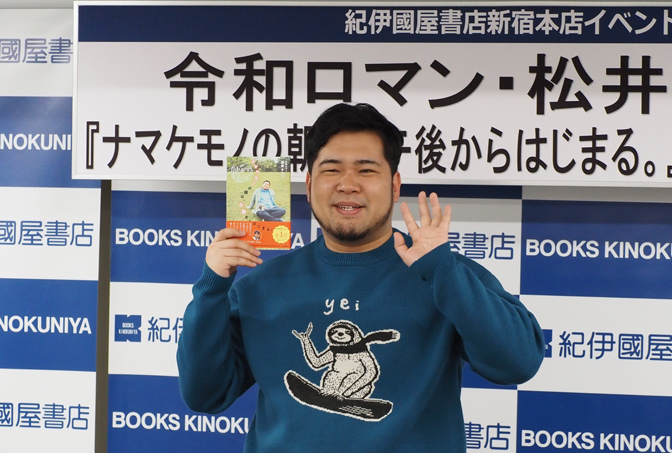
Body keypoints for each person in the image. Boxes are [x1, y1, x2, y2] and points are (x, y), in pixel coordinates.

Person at [177, 103, 544, 452]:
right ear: (309, 184)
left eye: (366, 170)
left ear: (395, 185)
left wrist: (444, 274)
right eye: (331, 170)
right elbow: (205, 395)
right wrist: (211, 289)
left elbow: (518, 363)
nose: (348, 184)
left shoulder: (442, 273)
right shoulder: (261, 285)